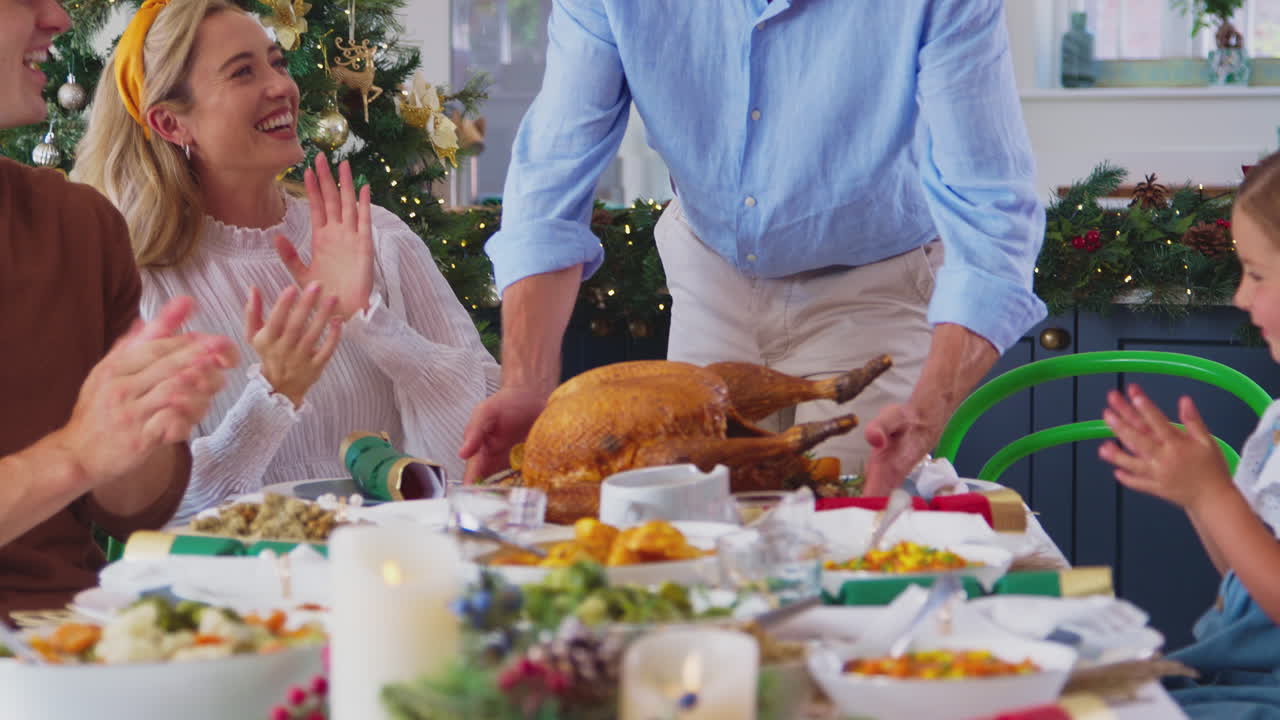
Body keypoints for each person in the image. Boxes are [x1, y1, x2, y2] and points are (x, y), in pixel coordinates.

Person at [460, 0, 1046, 494]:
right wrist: (527, 387)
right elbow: (551, 180)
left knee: (843, 536)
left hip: (877, 290)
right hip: (712, 277)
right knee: (691, 521)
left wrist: (924, 416)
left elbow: (992, 209)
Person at [74, 0, 499, 519]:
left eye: (276, 62)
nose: (282, 86)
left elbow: (477, 448)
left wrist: (372, 321)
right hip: (240, 595)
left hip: (390, 574)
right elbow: (150, 509)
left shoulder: (376, 239)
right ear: (170, 123)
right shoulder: (141, 287)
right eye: (243, 72)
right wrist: (272, 396)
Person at [0, 0, 236, 616]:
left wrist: (146, 423)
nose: (56, 18)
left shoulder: (76, 223)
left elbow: (131, 508)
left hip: (73, 640)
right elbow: (80, 456)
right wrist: (74, 454)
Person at [1098, 151, 1280, 720]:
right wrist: (1201, 495)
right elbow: (1243, 584)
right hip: (1230, 674)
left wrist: (1213, 495)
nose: (1240, 299)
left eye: (1257, 275)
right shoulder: (1277, 422)